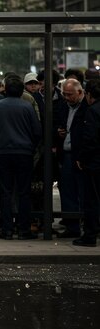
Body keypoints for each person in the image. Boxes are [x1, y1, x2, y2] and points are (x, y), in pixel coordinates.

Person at [0, 75, 42, 240]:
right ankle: (24, 229)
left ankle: (7, 229)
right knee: (24, 192)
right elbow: (37, 131)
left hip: (4, 152)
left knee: (5, 191)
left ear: (5, 90)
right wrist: (31, 148)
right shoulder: (27, 107)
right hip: (24, 152)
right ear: (21, 91)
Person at [55, 78, 88, 238]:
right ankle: (72, 226)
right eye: (64, 94)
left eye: (70, 95)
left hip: (80, 155)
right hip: (66, 154)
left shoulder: (87, 108)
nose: (67, 98)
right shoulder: (63, 106)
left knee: (83, 191)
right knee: (67, 191)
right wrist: (58, 131)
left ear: (80, 92)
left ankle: (87, 226)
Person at [74, 79, 100, 247]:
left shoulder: (92, 111)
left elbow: (90, 138)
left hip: (94, 163)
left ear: (89, 95)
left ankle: (90, 235)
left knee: (91, 200)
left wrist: (81, 159)